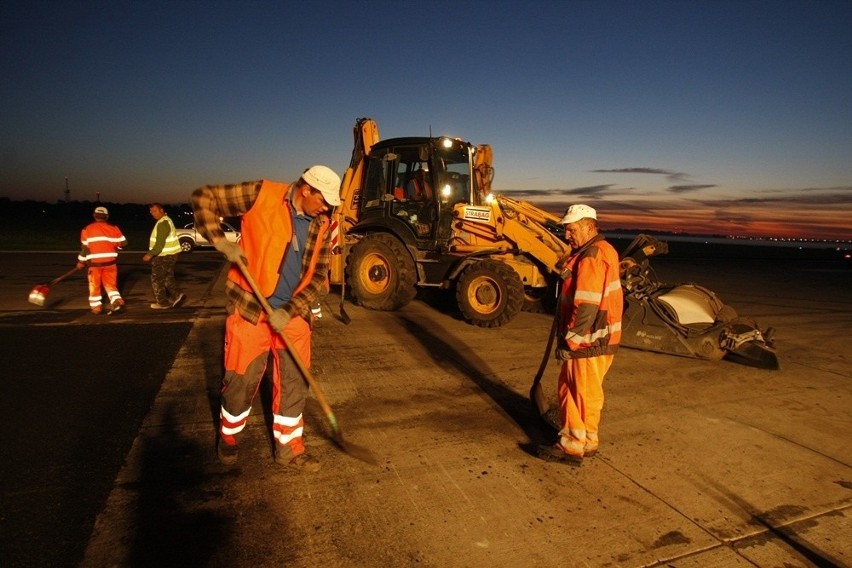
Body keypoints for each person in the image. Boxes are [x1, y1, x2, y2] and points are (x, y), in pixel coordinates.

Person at [191, 165, 341, 472]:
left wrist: (289, 310)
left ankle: (289, 449)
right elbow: (204, 198)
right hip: (250, 308)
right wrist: (219, 240)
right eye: (324, 199)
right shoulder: (261, 194)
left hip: (293, 314)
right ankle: (229, 437)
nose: (327, 207)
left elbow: (318, 277)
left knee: (295, 382)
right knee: (240, 380)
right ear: (306, 189)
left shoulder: (323, 223)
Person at [537, 204, 623, 466]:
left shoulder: (591, 256)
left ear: (588, 226)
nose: (567, 235)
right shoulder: (603, 250)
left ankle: (571, 446)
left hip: (587, 340)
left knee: (573, 392)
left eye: (571, 229)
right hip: (602, 339)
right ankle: (588, 440)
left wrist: (571, 341)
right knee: (589, 393)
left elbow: (587, 304)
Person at [76, 206, 127, 314]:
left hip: (95, 265)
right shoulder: (114, 228)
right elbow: (123, 243)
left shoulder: (87, 229)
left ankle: (96, 307)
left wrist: (81, 261)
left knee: (95, 286)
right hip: (110, 263)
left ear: (94, 216)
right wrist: (115, 246)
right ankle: (117, 301)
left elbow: (85, 248)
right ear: (107, 217)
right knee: (110, 285)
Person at [142, 203, 185, 309]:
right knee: (167, 277)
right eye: (151, 211)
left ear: (161, 210)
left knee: (157, 279)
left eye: (155, 211)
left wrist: (150, 254)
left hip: (163, 256)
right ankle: (178, 294)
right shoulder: (166, 220)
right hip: (170, 255)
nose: (153, 213)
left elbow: (159, 244)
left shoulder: (163, 223)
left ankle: (162, 303)